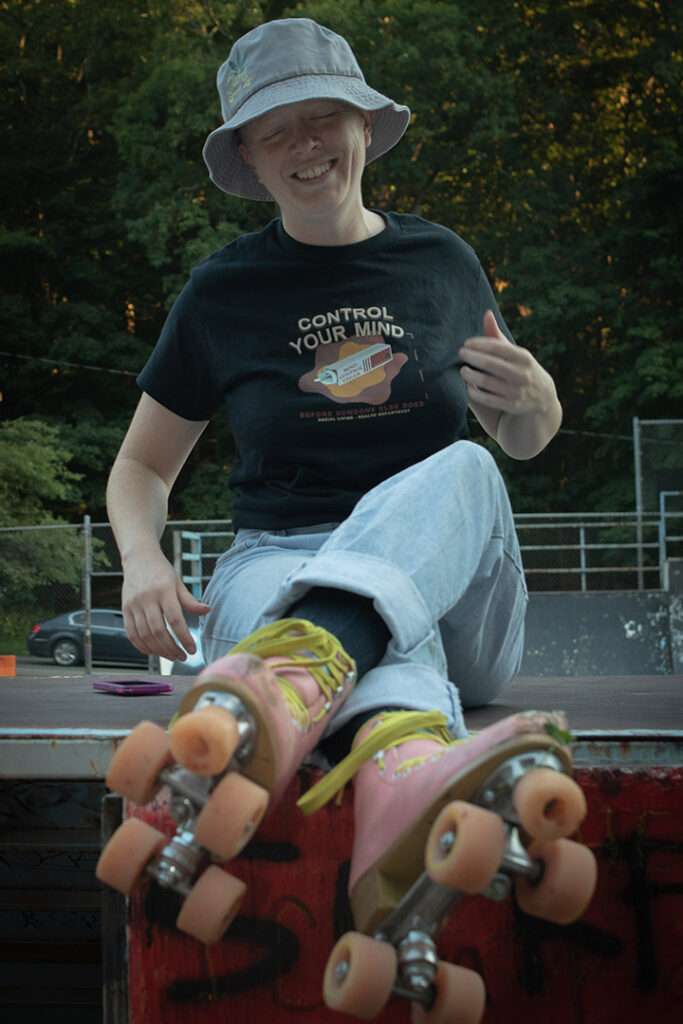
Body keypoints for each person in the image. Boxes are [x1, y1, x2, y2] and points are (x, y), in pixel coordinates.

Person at [106, 16, 579, 995]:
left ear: (367, 126)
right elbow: (141, 468)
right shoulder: (222, 291)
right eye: (275, 130)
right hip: (280, 563)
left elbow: (518, 440)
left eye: (322, 118)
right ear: (247, 157)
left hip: (451, 599)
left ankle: (305, 665)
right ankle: (402, 787)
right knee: (363, 633)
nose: (305, 144)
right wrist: (144, 563)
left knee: (466, 467)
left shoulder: (441, 261)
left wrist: (539, 404)